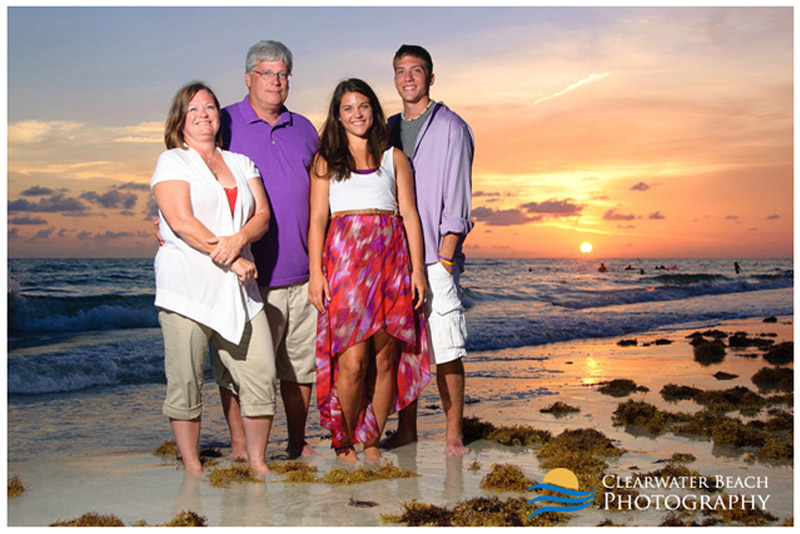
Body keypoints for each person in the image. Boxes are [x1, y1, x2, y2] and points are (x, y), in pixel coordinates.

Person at [151, 81, 275, 475]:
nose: (203, 113)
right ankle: (192, 466)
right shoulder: (172, 161)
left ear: (219, 115)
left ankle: (256, 462)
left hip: (240, 291)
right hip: (186, 290)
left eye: (209, 107)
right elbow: (181, 222)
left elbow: (262, 216)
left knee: (260, 372)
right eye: (194, 109)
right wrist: (231, 258)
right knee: (186, 381)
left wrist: (239, 242)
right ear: (180, 120)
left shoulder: (241, 162)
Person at [308, 78, 430, 462]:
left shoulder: (394, 158)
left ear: (373, 111)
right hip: (345, 268)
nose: (356, 113)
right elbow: (316, 222)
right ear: (337, 115)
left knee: (385, 360)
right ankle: (344, 440)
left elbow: (410, 215)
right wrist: (316, 274)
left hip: (392, 265)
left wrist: (419, 273)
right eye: (348, 108)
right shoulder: (325, 160)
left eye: (363, 106)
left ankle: (372, 440)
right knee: (352, 361)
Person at [218, 40, 320, 460]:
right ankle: (241, 447)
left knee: (300, 368)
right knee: (240, 367)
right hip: (248, 275)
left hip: (304, 274)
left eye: (283, 74)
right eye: (267, 73)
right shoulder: (224, 121)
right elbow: (190, 171)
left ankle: (297, 444)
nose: (276, 82)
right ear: (248, 78)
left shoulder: (305, 128)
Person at [382, 45, 474, 456]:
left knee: (447, 347)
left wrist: (447, 254)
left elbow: (458, 198)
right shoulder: (386, 128)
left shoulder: (451, 126)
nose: (408, 78)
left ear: (430, 77)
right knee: (407, 349)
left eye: (415, 71)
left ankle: (453, 433)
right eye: (401, 71)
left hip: (436, 257)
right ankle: (408, 430)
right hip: (395, 259)